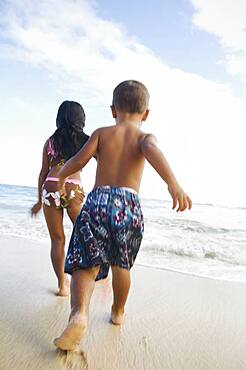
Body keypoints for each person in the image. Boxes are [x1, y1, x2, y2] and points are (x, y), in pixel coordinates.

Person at [54, 80, 192, 350]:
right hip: (128, 207)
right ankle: (118, 312)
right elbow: (152, 151)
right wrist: (172, 183)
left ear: (113, 110)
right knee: (122, 264)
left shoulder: (101, 134)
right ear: (146, 114)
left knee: (84, 263)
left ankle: (79, 313)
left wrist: (60, 178)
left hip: (96, 202)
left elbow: (78, 161)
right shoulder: (144, 138)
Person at [31, 101, 90, 297]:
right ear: (81, 119)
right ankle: (92, 278)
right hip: (72, 187)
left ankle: (62, 286)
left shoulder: (50, 142)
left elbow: (43, 173)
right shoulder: (85, 141)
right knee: (85, 236)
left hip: (50, 187)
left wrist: (40, 201)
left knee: (57, 240)